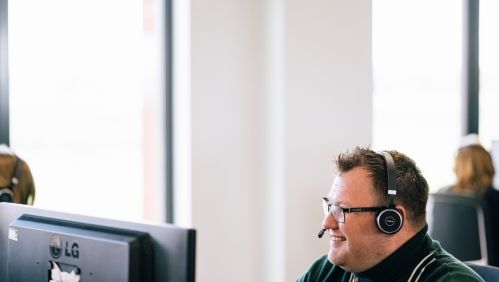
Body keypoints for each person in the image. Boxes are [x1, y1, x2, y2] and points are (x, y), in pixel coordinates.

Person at [297, 146, 483, 282]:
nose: (327, 223)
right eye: (330, 207)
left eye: (341, 210)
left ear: (390, 220)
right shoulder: (327, 271)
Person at [438, 134, 499, 267]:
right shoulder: (494, 198)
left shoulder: (442, 196)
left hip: (446, 266)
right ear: (488, 164)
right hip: (488, 270)